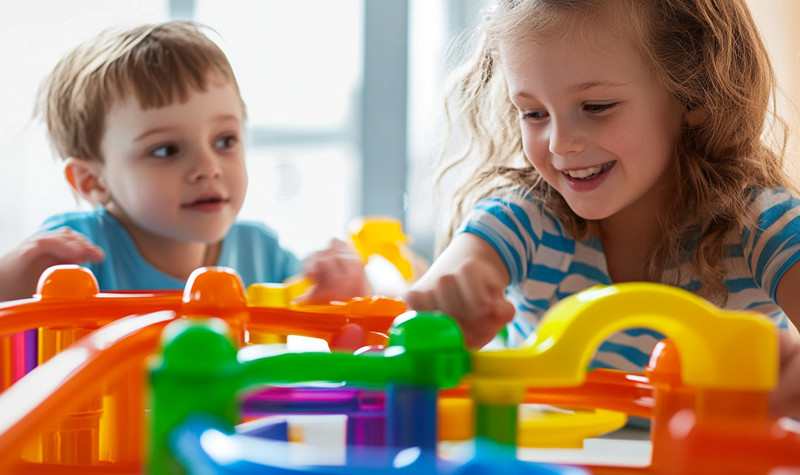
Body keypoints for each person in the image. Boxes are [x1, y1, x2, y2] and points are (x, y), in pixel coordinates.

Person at [405, 0, 800, 381]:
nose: (560, 144)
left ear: (694, 93)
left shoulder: (762, 225)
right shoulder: (521, 217)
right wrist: (447, 311)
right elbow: (432, 300)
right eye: (534, 113)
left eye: (596, 106)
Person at [0, 21, 368, 301]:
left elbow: (327, 322)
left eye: (225, 141)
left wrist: (344, 289)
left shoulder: (262, 254)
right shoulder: (74, 254)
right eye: (166, 151)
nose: (208, 167)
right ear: (92, 181)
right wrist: (9, 282)